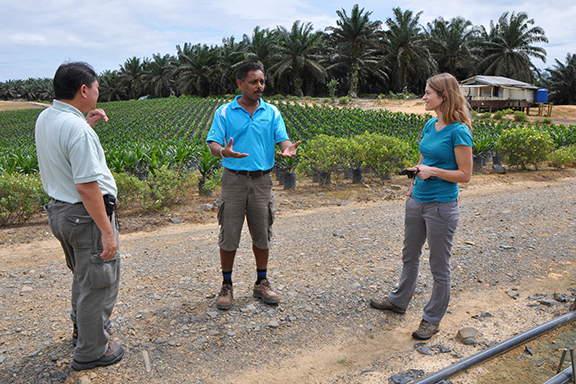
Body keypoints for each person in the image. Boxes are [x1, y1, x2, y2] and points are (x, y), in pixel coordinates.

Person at [369, 73, 473, 340]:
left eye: (428, 93)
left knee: (439, 265)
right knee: (409, 255)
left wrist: (433, 172)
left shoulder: (459, 131)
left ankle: (432, 319)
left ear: (444, 96)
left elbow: (465, 175)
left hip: (442, 206)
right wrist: (415, 179)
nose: (424, 97)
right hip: (418, 201)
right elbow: (424, 157)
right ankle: (398, 301)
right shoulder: (430, 125)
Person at [35, 62, 124, 370]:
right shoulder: (77, 130)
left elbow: (65, 150)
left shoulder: (47, 117)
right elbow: (87, 187)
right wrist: (107, 232)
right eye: (97, 87)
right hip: (84, 216)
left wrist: (87, 124)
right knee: (99, 282)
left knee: (84, 277)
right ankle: (92, 351)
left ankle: (82, 330)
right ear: (84, 90)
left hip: (60, 212)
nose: (99, 92)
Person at [206, 62, 300, 310]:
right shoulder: (225, 112)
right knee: (229, 235)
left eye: (262, 81)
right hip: (233, 180)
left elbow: (282, 139)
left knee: (262, 234)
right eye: (253, 82)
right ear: (240, 84)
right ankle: (227, 285)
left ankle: (261, 281)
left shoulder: (272, 112)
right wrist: (222, 151)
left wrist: (286, 148)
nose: (260, 86)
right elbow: (213, 143)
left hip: (262, 181)